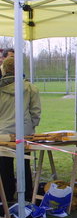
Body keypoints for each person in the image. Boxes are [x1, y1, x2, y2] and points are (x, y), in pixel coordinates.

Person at [0, 56, 41, 203]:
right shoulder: (30, 88)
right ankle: (28, 194)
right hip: (24, 131)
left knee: (5, 166)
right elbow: (35, 112)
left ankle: (7, 196)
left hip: (3, 132)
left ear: (4, 69)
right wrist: (31, 127)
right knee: (24, 164)